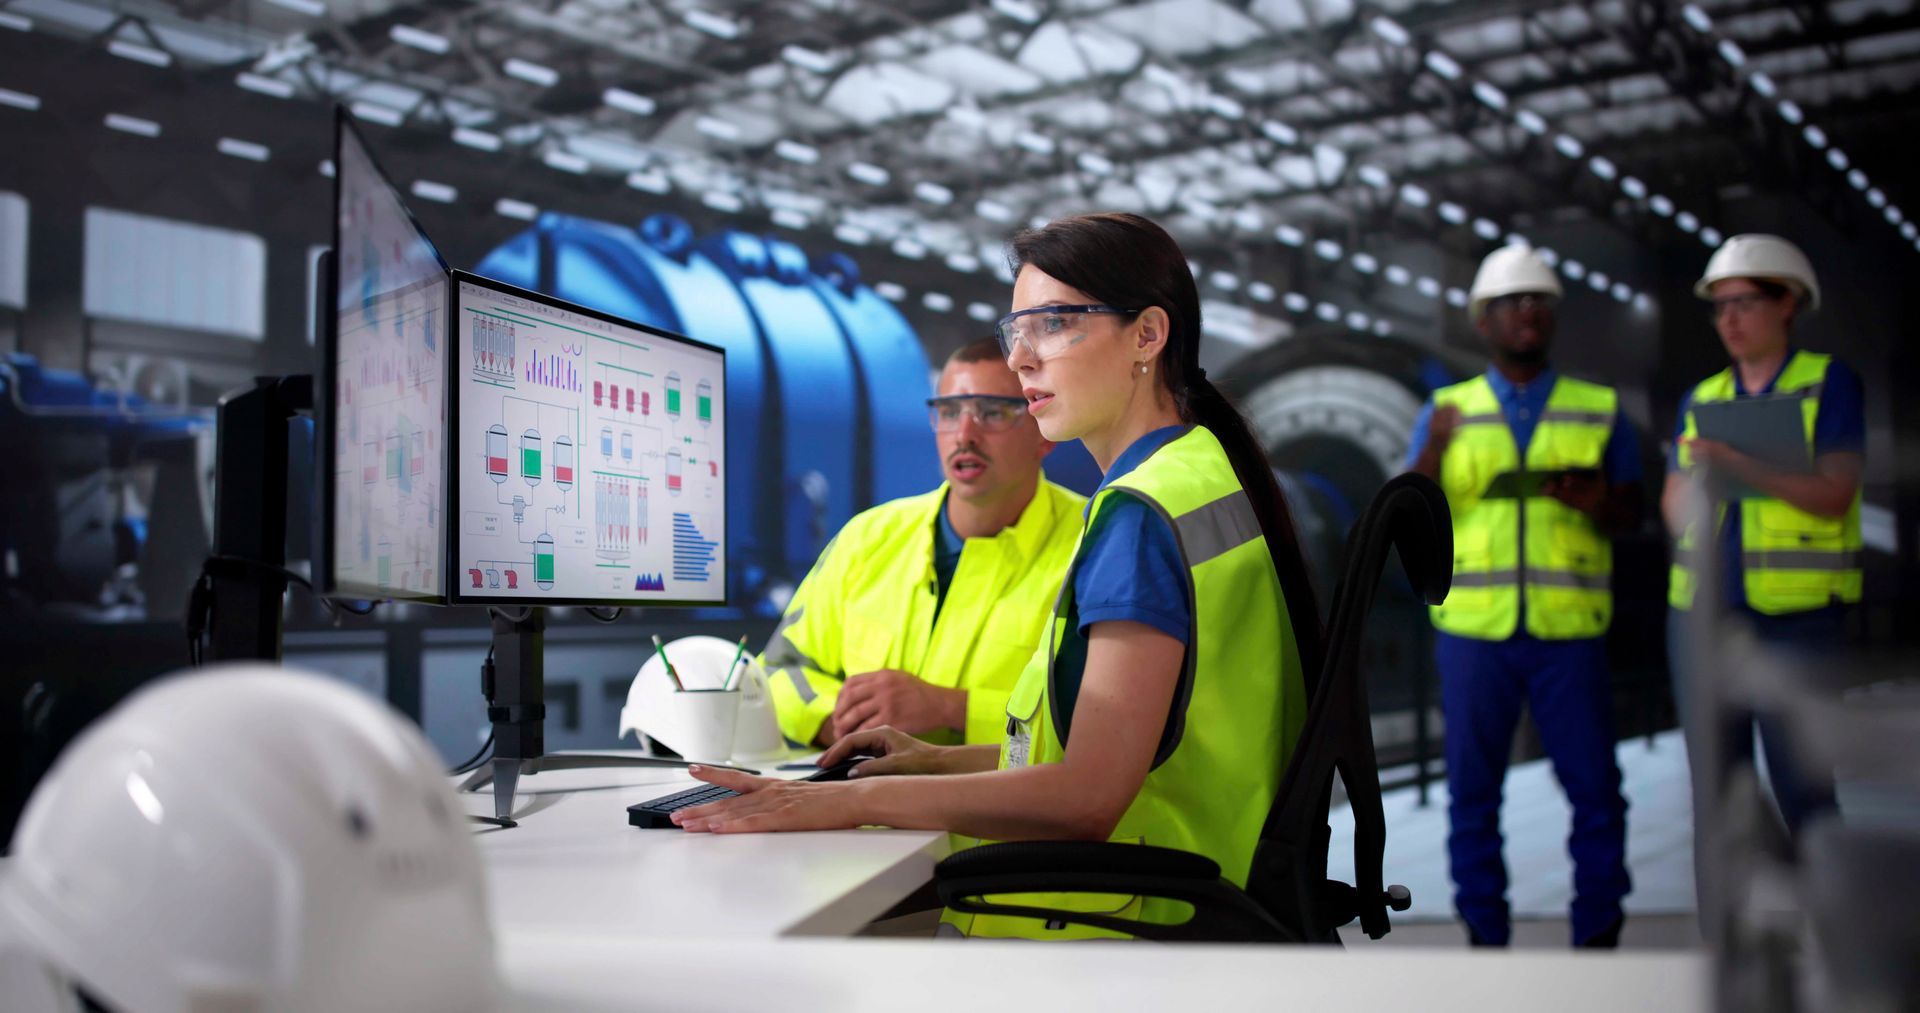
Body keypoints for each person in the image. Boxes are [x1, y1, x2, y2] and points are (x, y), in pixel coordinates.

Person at [671, 212, 1323, 941]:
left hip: (1129, 922)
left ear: (1147, 334)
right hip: (1200, 896)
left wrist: (841, 803)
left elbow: (1088, 797)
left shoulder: (1140, 514)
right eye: (1018, 332)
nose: (1021, 361)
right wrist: (939, 762)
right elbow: (1139, 749)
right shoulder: (1198, 474)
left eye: (1052, 325)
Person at [1405, 245, 1640, 949]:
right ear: (1485, 320)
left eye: (1539, 300)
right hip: (1475, 632)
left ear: (1553, 316)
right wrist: (1435, 449)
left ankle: (1598, 940)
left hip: (1568, 628)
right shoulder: (1448, 411)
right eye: (1511, 303)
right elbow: (1413, 506)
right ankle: (1485, 939)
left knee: (1595, 793)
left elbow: (1633, 508)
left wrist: (1599, 499)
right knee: (1474, 797)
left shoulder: (1599, 408)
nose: (1527, 312)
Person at [760, 337, 1085, 747]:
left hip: (1001, 811)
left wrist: (952, 709)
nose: (965, 434)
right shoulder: (868, 537)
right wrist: (840, 723)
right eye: (950, 412)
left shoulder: (1093, 544)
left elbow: (1107, 723)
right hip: (862, 804)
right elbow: (779, 670)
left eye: (992, 412)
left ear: (1045, 432)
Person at [1663, 234, 1861, 835]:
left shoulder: (1827, 386)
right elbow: (1675, 506)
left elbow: (1835, 495)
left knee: (1805, 788)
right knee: (1719, 796)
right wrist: (1696, 486)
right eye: (1720, 306)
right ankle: (1727, 930)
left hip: (1798, 618)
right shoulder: (1703, 398)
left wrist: (1735, 463)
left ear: (1788, 304)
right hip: (1707, 616)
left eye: (1745, 302)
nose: (1730, 319)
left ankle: (1828, 924)